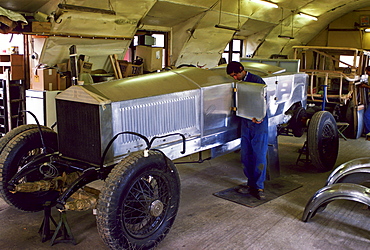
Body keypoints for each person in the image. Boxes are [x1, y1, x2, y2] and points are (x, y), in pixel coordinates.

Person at [226, 61, 268, 200]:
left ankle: (259, 186)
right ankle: (250, 184)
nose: (235, 77)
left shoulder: (257, 81)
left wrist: (260, 117)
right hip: (245, 122)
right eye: (232, 76)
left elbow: (263, 102)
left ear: (242, 70)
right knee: (246, 155)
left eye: (236, 74)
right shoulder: (238, 84)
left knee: (259, 155)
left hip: (258, 124)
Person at [360, 66, 370, 134]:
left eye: (367, 71)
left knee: (367, 115)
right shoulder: (369, 77)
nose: (367, 73)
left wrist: (365, 86)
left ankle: (368, 132)